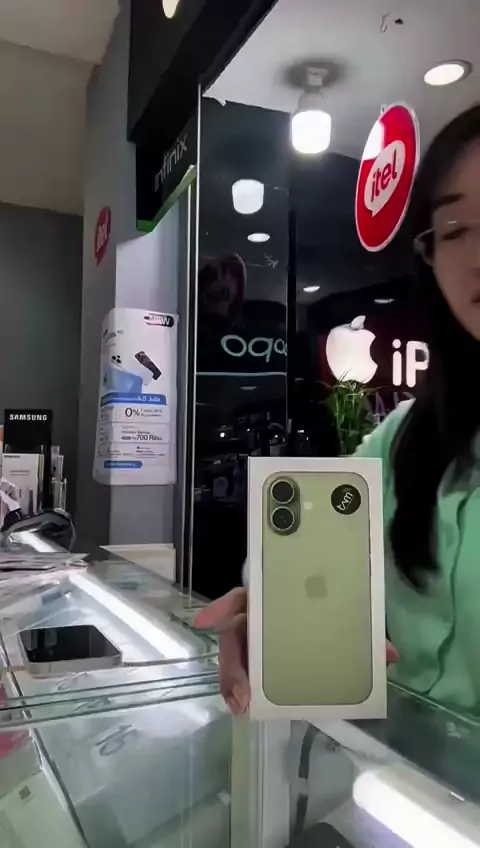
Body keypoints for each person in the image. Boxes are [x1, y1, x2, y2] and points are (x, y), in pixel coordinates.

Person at [195, 104, 480, 717]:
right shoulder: (403, 438)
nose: (478, 254)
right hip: (395, 772)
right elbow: (304, 544)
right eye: (456, 229)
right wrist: (273, 611)